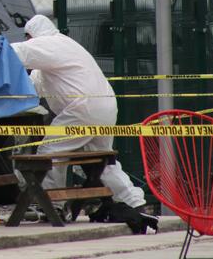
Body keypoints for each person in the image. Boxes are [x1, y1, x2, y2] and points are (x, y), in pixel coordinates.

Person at [10, 14, 149, 217]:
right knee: (104, 159)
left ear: (32, 35)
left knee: (50, 151)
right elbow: (34, 86)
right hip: (106, 107)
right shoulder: (63, 50)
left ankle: (52, 204)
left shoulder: (49, 44)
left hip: (83, 108)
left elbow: (15, 53)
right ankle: (135, 203)